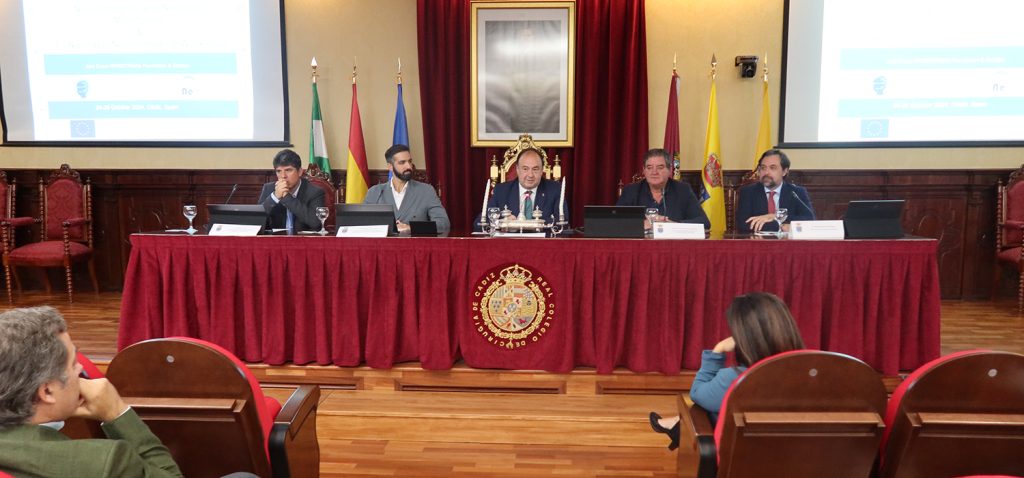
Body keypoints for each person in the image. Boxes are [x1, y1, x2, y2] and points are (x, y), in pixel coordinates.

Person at [0, 306, 184, 477]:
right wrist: (117, 412)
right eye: (73, 363)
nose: (81, 368)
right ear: (47, 391)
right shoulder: (103, 462)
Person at [648, 292, 805, 450]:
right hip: (794, 455)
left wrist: (718, 350)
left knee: (705, 407)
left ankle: (677, 427)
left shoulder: (736, 379)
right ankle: (676, 424)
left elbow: (697, 393)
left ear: (743, 338)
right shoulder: (809, 374)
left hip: (738, 458)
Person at [364, 144, 450, 233]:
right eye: (402, 162)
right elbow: (362, 224)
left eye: (410, 161)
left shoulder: (426, 191)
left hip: (415, 242)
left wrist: (411, 227)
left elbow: (443, 224)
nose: (408, 166)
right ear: (390, 166)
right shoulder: (374, 192)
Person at [616, 148, 710, 229]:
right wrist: (641, 224)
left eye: (660, 167)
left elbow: (704, 223)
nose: (654, 172)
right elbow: (615, 222)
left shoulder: (683, 190)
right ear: (644, 170)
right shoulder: (631, 191)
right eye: (649, 167)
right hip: (640, 243)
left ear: (669, 170)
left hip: (672, 243)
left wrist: (673, 225)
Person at [735, 149, 815, 233]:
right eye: (763, 168)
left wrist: (774, 216)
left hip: (788, 241)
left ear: (784, 171)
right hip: (758, 240)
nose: (766, 172)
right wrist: (782, 226)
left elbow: (809, 219)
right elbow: (743, 224)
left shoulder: (796, 192)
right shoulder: (748, 192)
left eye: (772, 168)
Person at [485, 148, 568, 223]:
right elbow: (483, 221)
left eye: (535, 169)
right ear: (517, 169)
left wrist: (535, 224)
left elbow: (563, 222)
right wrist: (502, 223)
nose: (530, 175)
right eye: (525, 169)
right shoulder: (501, 191)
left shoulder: (555, 190)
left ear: (542, 170)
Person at [257, 149, 326, 233]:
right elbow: (257, 222)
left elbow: (316, 223)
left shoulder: (315, 192)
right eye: (279, 171)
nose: (283, 176)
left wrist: (286, 197)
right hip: (276, 239)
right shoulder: (269, 189)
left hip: (303, 240)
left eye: (288, 170)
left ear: (300, 172)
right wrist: (274, 197)